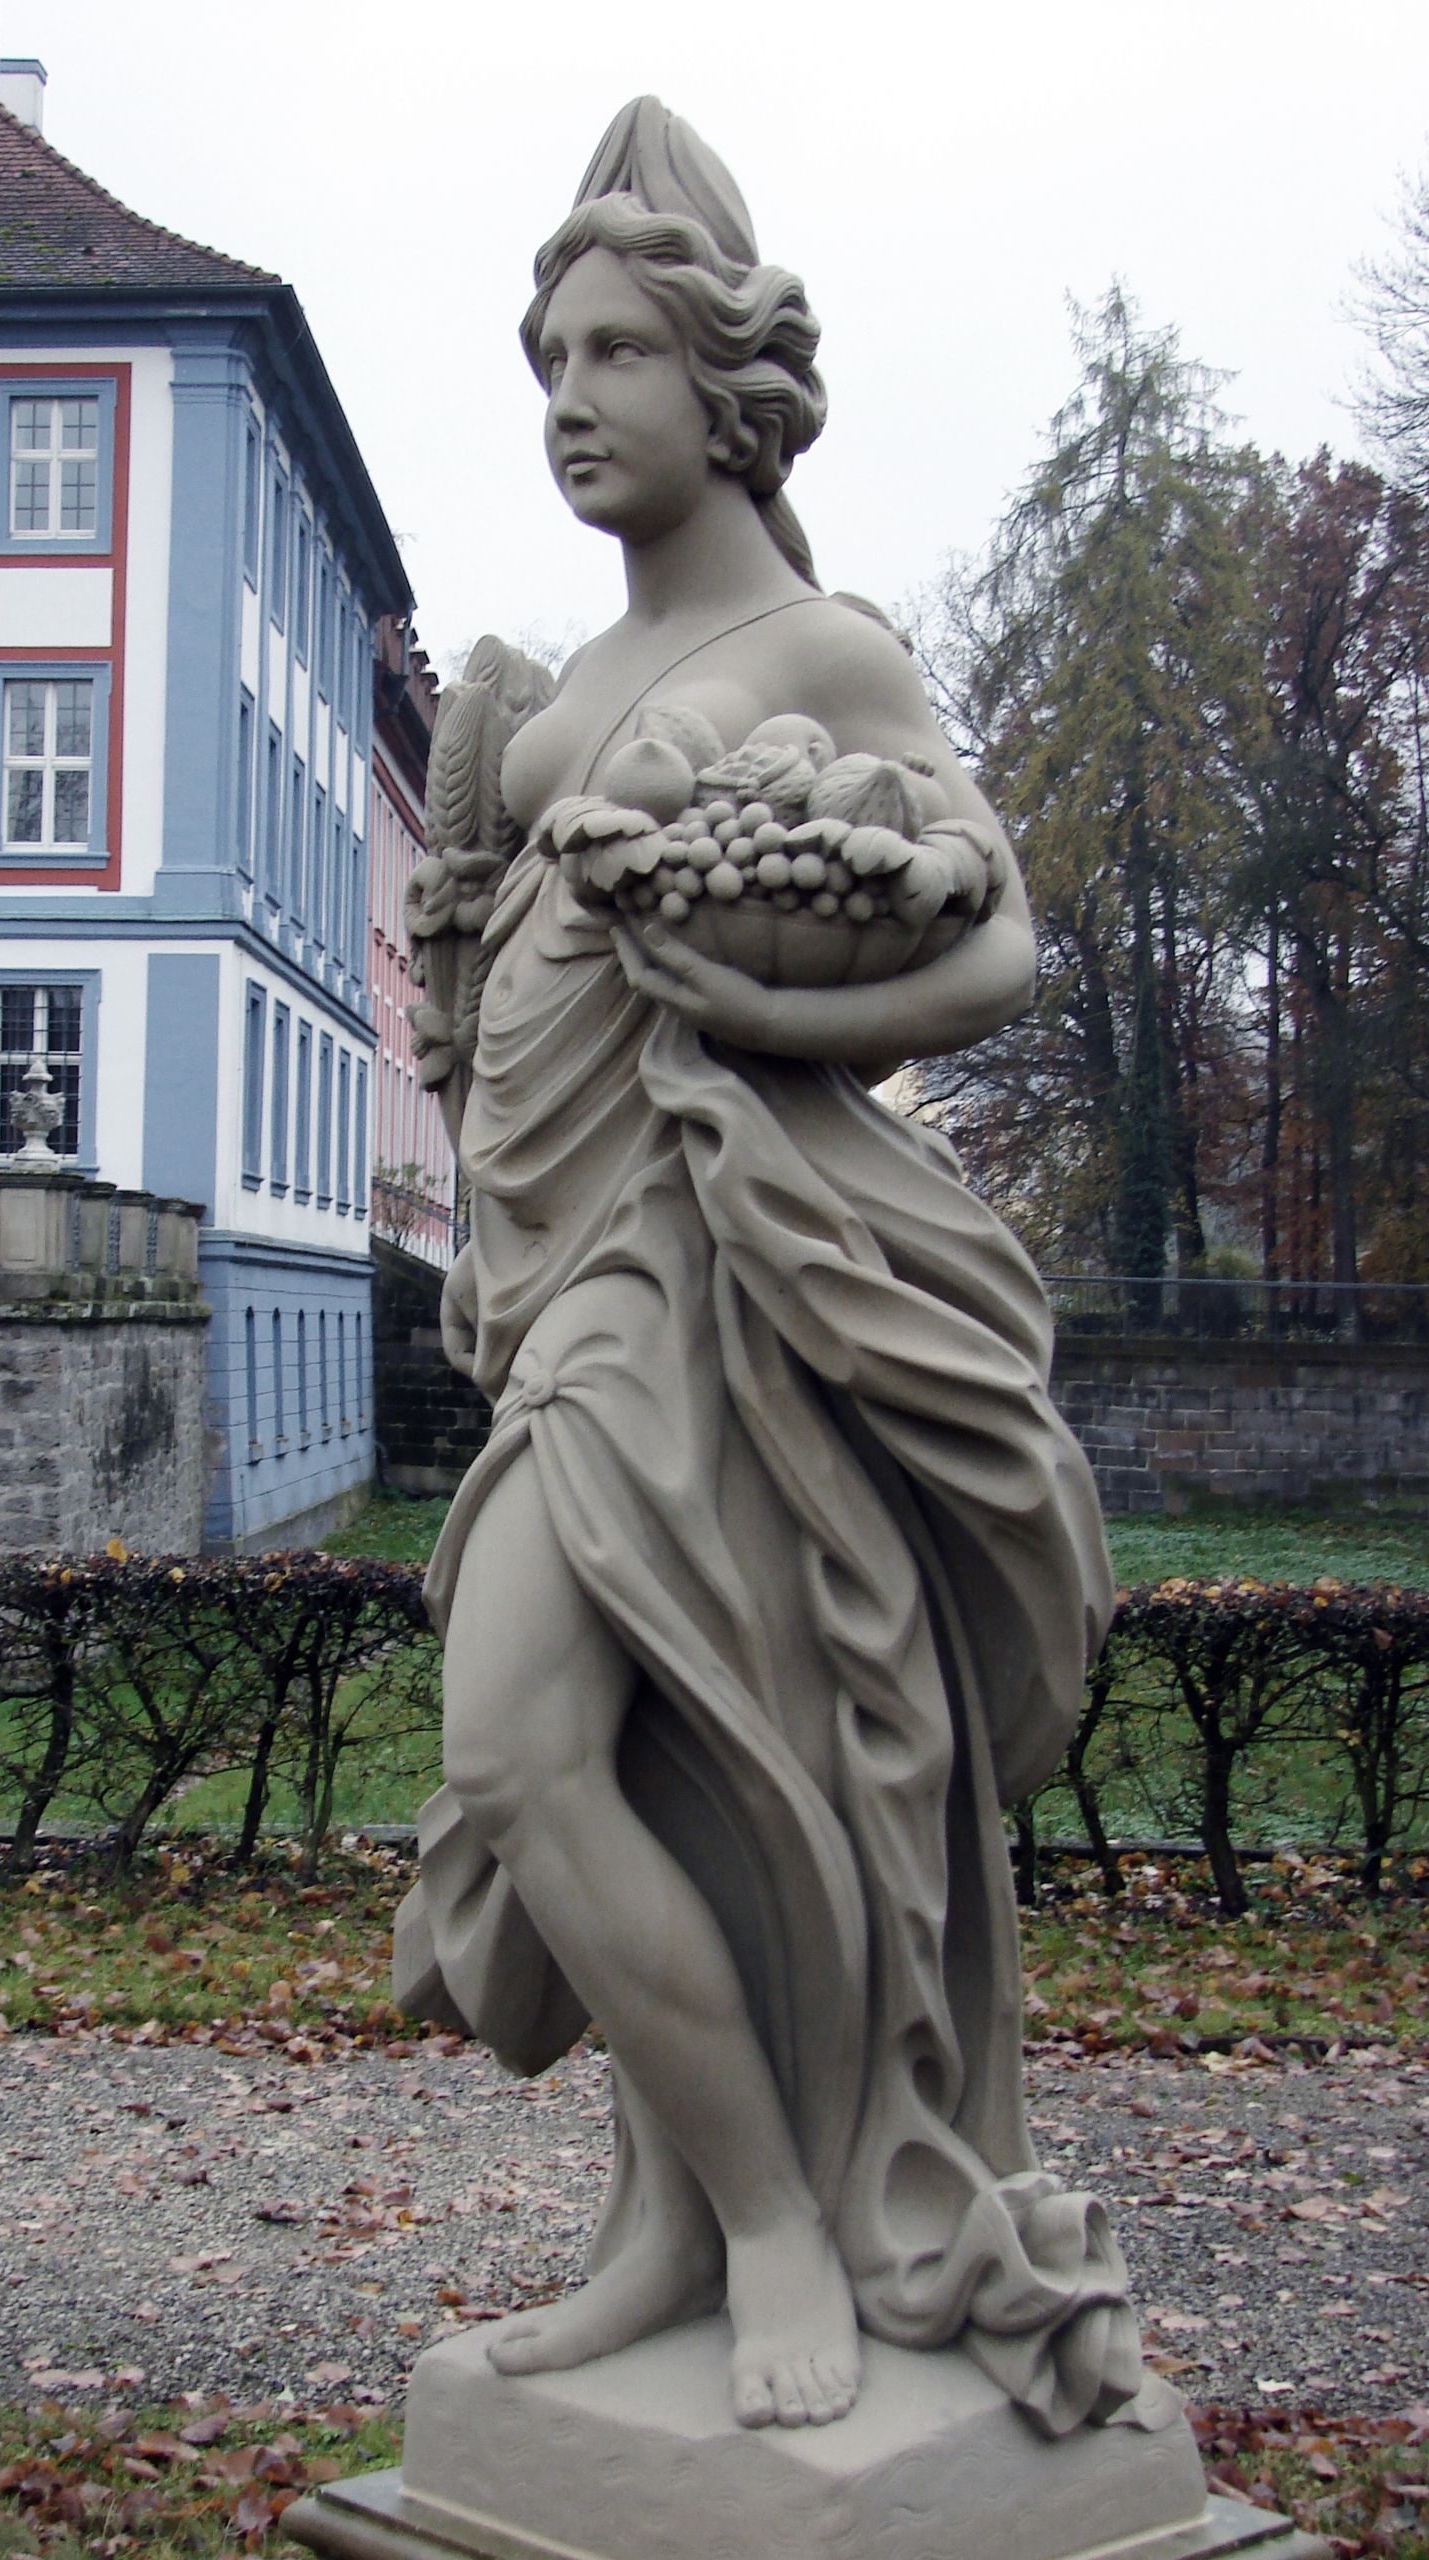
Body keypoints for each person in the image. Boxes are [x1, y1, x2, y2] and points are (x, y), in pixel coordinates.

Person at [395, 97, 1145, 2441]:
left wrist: (778, 1011)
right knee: (622, 1771)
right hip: (562, 1288)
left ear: (728, 388)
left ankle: (782, 2213)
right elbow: (491, 998)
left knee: (537, 1739)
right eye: (548, 359)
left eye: (615, 350)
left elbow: (995, 942)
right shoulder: (544, 698)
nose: (570, 399)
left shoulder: (820, 644)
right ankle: (679, 2221)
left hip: (723, 1287)